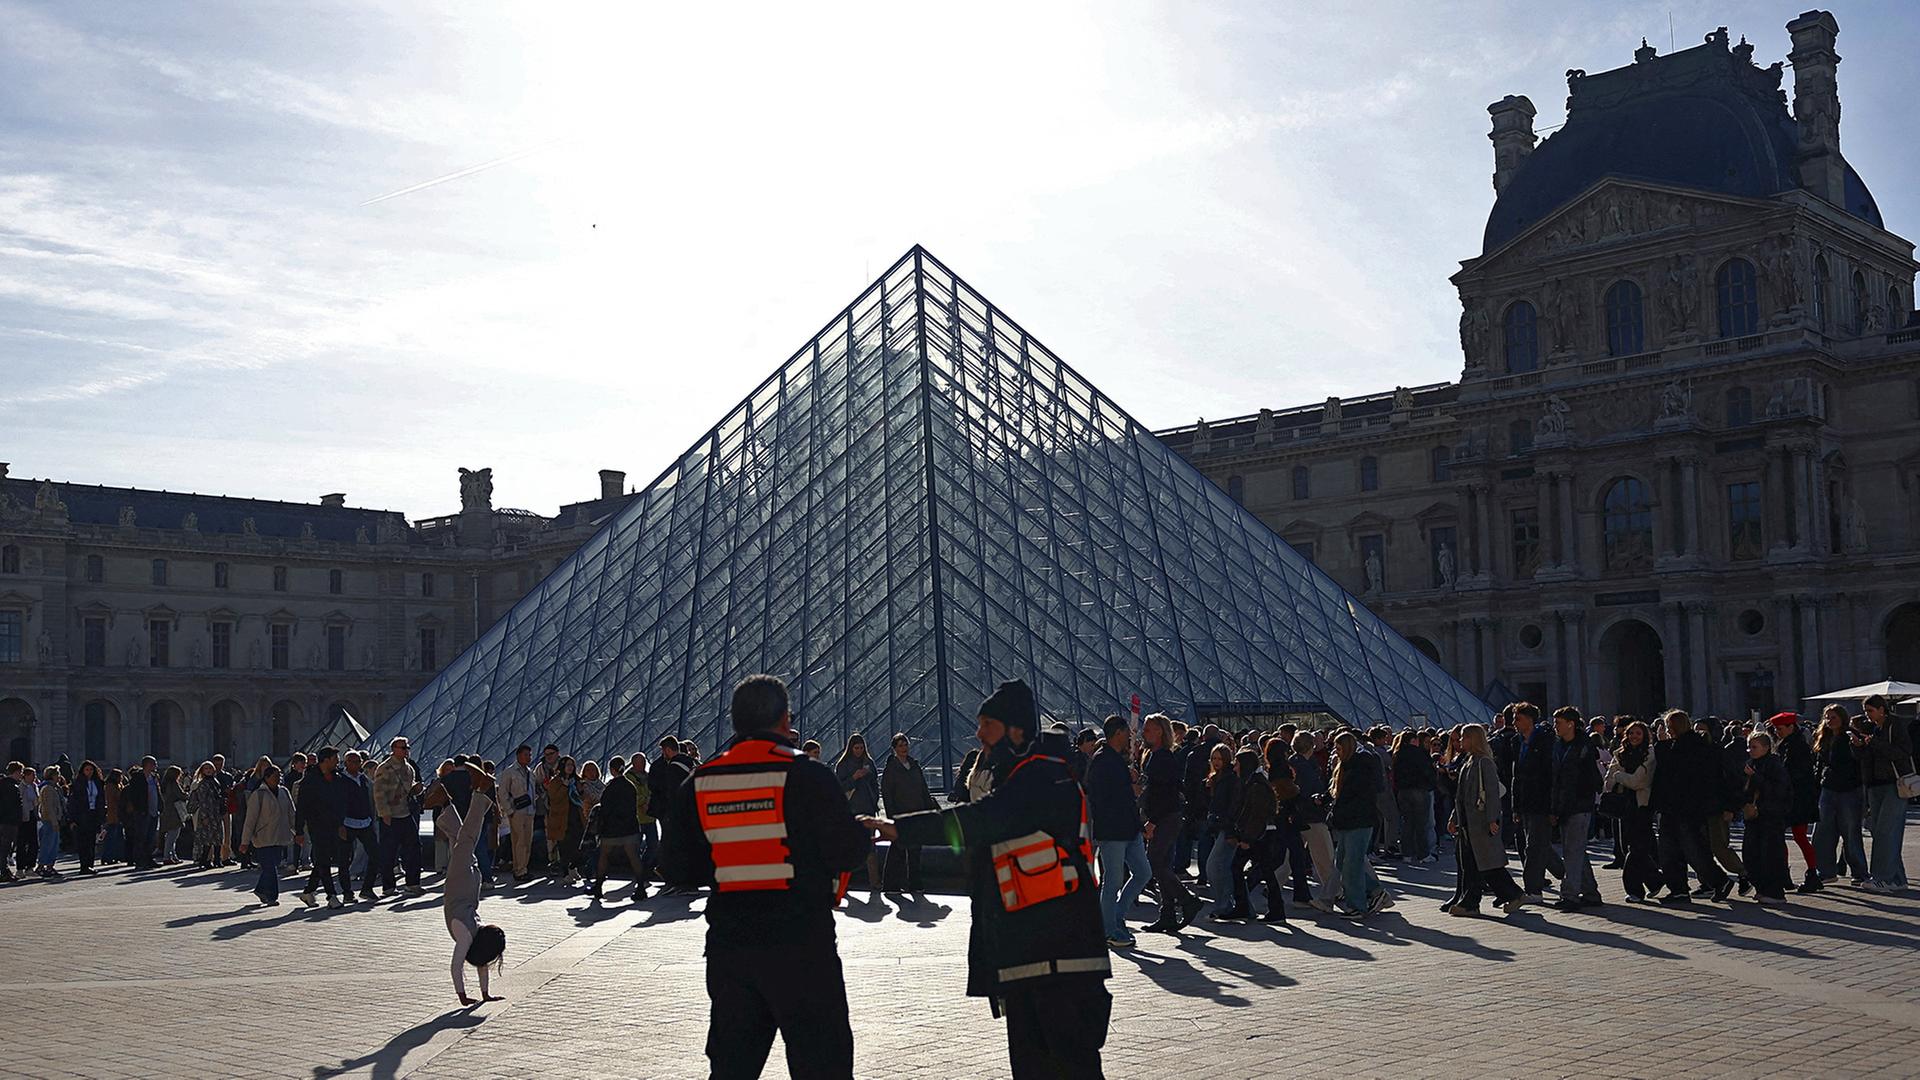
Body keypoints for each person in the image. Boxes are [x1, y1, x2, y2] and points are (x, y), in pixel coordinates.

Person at [863, 679, 1111, 1080]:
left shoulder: (1040, 777)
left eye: (987, 725)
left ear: (1016, 730)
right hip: (1039, 950)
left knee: (1066, 1068)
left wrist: (901, 828)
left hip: (1058, 954)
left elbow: (982, 820)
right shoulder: (1032, 774)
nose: (978, 734)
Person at [661, 674, 872, 1080]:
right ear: (785, 720)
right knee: (822, 1068)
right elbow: (847, 852)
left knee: (732, 1070)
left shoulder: (701, 781)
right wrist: (860, 832)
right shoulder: (808, 776)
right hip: (802, 946)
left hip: (732, 948)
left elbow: (676, 867)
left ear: (735, 721)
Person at [1442, 723, 1530, 916]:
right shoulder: (1469, 761)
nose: (1460, 741)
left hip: (1480, 823)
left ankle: (1476, 902)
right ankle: (1493, 898)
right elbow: (1460, 797)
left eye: (1464, 737)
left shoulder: (1484, 763)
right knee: (1475, 865)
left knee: (1485, 864)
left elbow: (1491, 793)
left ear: (1473, 739)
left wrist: (1492, 819)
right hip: (1468, 823)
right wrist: (1454, 818)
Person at [440, 765, 506, 1006]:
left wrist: (462, 996)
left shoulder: (467, 938)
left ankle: (479, 792)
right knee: (462, 841)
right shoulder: (474, 938)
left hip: (459, 887)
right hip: (466, 890)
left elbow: (456, 966)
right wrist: (485, 995)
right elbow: (482, 963)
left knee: (467, 841)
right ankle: (445, 804)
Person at [1650, 710, 1731, 904]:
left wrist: (1662, 744)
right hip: (1674, 806)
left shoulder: (1690, 746)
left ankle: (1719, 880)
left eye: (1669, 727)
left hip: (1686, 807)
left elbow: (1671, 769)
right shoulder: (1685, 745)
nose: (1667, 731)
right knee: (1670, 850)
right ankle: (1679, 889)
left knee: (1693, 849)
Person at [1086, 715, 1150, 947]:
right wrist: (1130, 788)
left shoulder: (1113, 759)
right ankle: (1109, 930)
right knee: (1113, 881)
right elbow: (1101, 797)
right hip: (1113, 829)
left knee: (1143, 873)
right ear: (1119, 733)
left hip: (1128, 827)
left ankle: (1116, 916)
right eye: (1128, 734)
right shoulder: (1102, 761)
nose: (1131, 738)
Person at [1140, 712, 1204, 932]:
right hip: (1168, 816)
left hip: (1165, 817)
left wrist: (1152, 821)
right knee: (1163, 864)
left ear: (1159, 732)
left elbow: (1164, 794)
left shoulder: (1162, 758)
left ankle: (1187, 900)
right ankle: (1167, 913)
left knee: (1155, 863)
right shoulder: (1158, 755)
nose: (1143, 733)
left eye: (1148, 729)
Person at [1327, 730, 1390, 917]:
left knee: (1351, 865)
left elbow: (1351, 795)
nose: (1336, 752)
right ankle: (1375, 892)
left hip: (1358, 820)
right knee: (1345, 862)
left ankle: (1358, 905)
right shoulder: (1353, 765)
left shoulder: (1358, 767)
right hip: (1352, 820)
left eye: (1339, 748)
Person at [1601, 720, 1663, 901]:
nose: (1634, 736)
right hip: (1623, 806)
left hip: (1642, 805)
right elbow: (1608, 782)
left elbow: (1638, 781)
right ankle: (1655, 880)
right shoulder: (1619, 753)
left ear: (1645, 736)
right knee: (1627, 847)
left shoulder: (1650, 754)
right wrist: (1619, 777)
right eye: (1631, 733)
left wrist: (1619, 776)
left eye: (1638, 733)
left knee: (1636, 849)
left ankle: (1634, 890)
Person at [1548, 706, 1602, 910]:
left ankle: (1570, 896)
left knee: (1572, 852)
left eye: (1558, 723)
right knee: (1576, 850)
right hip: (1564, 805)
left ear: (1570, 724)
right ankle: (1590, 893)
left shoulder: (1583, 747)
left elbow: (1589, 780)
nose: (1555, 726)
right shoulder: (1559, 745)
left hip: (1579, 805)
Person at [1857, 693, 1911, 893]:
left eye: (1870, 711)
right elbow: (1868, 758)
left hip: (1894, 784)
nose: (1867, 715)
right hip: (1875, 784)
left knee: (1886, 832)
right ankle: (1898, 879)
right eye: (1865, 711)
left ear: (1882, 709)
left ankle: (1882, 878)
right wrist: (1859, 746)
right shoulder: (1873, 728)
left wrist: (1873, 743)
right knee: (1881, 831)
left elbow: (1903, 752)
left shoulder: (1895, 725)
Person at [1810, 704, 1867, 889]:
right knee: (1822, 832)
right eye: (1827, 717)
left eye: (1833, 717)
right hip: (1828, 788)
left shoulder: (1850, 735)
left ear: (1842, 718)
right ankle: (1826, 871)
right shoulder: (1824, 737)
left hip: (1849, 789)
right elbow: (1819, 763)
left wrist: (1858, 747)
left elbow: (1860, 760)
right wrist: (1817, 783)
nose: (1829, 720)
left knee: (1850, 831)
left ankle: (1859, 872)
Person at [1510, 704, 1563, 897]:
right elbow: (1516, 777)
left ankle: (1533, 890)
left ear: (1530, 719)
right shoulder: (1517, 742)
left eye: (1518, 718)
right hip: (1525, 802)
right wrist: (1516, 807)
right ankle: (1567, 874)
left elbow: (1551, 776)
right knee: (1539, 845)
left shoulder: (1546, 741)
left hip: (1541, 801)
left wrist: (1552, 807)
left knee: (1533, 847)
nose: (1514, 722)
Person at [1216, 748, 1275, 920]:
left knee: (1244, 868)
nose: (1235, 768)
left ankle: (1246, 907)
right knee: (1264, 871)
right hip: (1259, 834)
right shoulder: (1252, 782)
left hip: (1258, 835)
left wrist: (1247, 838)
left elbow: (1256, 815)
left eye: (1237, 764)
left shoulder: (1255, 786)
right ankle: (1264, 908)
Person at [1768, 713, 1820, 891]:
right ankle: (1810, 873)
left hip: (1795, 799)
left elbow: (1794, 773)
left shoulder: (1795, 746)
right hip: (1797, 798)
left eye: (1780, 728)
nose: (1777, 732)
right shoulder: (1788, 744)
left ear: (1791, 727)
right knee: (1798, 837)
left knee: (1789, 836)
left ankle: (1802, 874)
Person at [1288, 731, 1338, 912]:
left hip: (1298, 817)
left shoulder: (1294, 763)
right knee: (1324, 858)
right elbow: (1307, 791)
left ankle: (1273, 885)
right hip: (1312, 816)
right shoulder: (1307, 766)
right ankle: (1335, 891)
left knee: (1288, 858)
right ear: (1311, 746)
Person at [1741, 731, 1793, 902]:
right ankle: (1762, 888)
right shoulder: (1751, 764)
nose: (1750, 750)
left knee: (1769, 854)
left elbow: (1779, 790)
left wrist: (1755, 777)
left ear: (1766, 747)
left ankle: (1775, 892)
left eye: (1754, 747)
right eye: (1749, 747)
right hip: (1755, 816)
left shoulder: (1774, 765)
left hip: (1771, 815)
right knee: (1751, 853)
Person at [879, 734, 935, 892]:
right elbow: (887, 794)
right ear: (894, 749)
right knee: (898, 850)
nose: (904, 748)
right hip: (900, 814)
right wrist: (892, 816)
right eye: (900, 745)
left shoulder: (915, 766)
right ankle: (891, 884)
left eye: (905, 745)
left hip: (917, 813)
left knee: (915, 851)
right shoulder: (891, 769)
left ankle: (914, 883)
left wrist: (928, 809)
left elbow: (924, 789)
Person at [296, 747, 349, 909]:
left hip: (333, 824)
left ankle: (309, 891)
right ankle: (331, 895)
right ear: (326, 760)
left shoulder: (337, 778)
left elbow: (341, 803)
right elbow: (301, 807)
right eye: (335, 759)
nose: (338, 762)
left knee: (323, 859)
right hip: (317, 825)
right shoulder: (310, 780)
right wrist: (299, 831)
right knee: (324, 859)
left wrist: (341, 823)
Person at [373, 737, 425, 898]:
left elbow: (409, 789)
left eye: (407, 747)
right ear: (394, 749)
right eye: (403, 748)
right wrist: (384, 814)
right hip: (391, 815)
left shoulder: (409, 768)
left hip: (406, 813)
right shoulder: (385, 768)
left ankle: (413, 883)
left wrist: (417, 789)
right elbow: (378, 793)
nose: (406, 750)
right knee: (389, 852)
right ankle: (388, 886)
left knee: (414, 848)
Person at [591, 754, 647, 902]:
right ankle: (641, 887)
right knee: (634, 857)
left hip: (612, 829)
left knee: (604, 856)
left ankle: (598, 887)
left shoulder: (610, 788)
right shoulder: (630, 786)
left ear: (612, 770)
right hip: (629, 828)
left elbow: (605, 808)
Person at [834, 734, 884, 895]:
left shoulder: (869, 763)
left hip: (868, 808)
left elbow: (875, 783)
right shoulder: (843, 765)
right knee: (849, 846)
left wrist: (874, 798)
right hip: (851, 810)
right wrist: (854, 778)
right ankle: (845, 882)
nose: (859, 751)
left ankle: (875, 882)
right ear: (851, 748)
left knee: (871, 847)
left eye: (861, 748)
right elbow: (839, 787)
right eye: (856, 748)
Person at [239, 764, 296, 906]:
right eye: (275, 776)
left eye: (279, 775)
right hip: (263, 838)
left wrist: (297, 831)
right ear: (267, 777)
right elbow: (250, 820)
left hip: (280, 836)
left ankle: (260, 890)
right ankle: (272, 896)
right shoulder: (258, 794)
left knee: (272, 866)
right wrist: (245, 841)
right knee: (270, 868)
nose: (278, 778)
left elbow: (291, 813)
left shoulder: (284, 792)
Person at [1199, 744, 1239, 915]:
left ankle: (1225, 904)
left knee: (1214, 866)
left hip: (1226, 827)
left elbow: (1232, 806)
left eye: (1219, 759)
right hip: (1216, 826)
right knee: (1221, 866)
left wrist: (1229, 828)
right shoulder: (1214, 779)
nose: (1216, 762)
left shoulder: (1231, 779)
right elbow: (1209, 804)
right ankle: (1226, 903)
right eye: (1214, 758)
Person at [338, 751, 381, 903]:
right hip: (347, 823)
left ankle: (367, 889)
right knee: (344, 860)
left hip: (365, 822)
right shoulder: (340, 779)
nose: (356, 764)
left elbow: (370, 799)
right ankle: (347, 892)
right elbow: (336, 803)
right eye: (352, 761)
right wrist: (339, 824)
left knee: (376, 856)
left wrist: (372, 818)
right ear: (346, 763)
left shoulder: (364, 779)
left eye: (358, 762)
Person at [1392, 728, 1437, 863]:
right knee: (1421, 824)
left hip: (1403, 792)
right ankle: (1423, 854)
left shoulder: (1398, 754)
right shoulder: (1419, 753)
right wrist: (1430, 783)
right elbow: (1427, 771)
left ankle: (1407, 854)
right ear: (1414, 740)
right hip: (1419, 790)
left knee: (1408, 823)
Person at [498, 745, 536, 883]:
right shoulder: (509, 772)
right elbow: (502, 792)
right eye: (526, 755)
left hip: (530, 811)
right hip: (517, 812)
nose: (529, 757)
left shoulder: (530, 772)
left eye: (530, 755)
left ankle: (523, 868)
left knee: (527, 841)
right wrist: (509, 811)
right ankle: (520, 870)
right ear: (518, 755)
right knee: (519, 841)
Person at [544, 755, 583, 886]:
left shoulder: (577, 780)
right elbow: (554, 798)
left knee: (578, 845)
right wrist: (565, 787)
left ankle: (573, 867)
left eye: (572, 765)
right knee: (564, 846)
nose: (570, 767)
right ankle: (566, 872)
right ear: (562, 767)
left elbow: (582, 797)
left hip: (575, 817)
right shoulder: (556, 781)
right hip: (561, 818)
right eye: (568, 765)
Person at [65, 760, 105, 875]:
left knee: (91, 841)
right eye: (87, 770)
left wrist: (101, 816)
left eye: (91, 770)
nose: (89, 772)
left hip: (94, 814)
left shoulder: (97, 783)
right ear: (82, 771)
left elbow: (101, 800)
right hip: (82, 815)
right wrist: (72, 819)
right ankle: (84, 866)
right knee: (83, 842)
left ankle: (90, 865)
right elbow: (72, 802)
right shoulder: (77, 784)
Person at [189, 761, 225, 868]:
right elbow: (202, 801)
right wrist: (204, 816)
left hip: (216, 812)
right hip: (207, 813)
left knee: (218, 837)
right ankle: (204, 860)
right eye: (206, 768)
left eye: (210, 768)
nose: (208, 770)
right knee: (207, 839)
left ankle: (217, 859)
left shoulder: (215, 781)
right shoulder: (203, 784)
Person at [34, 766, 64, 877]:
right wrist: (54, 821)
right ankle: (41, 866)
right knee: (47, 844)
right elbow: (49, 807)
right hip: (49, 821)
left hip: (55, 819)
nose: (59, 777)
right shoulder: (47, 788)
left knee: (54, 845)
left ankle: (50, 866)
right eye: (57, 775)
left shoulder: (55, 788)